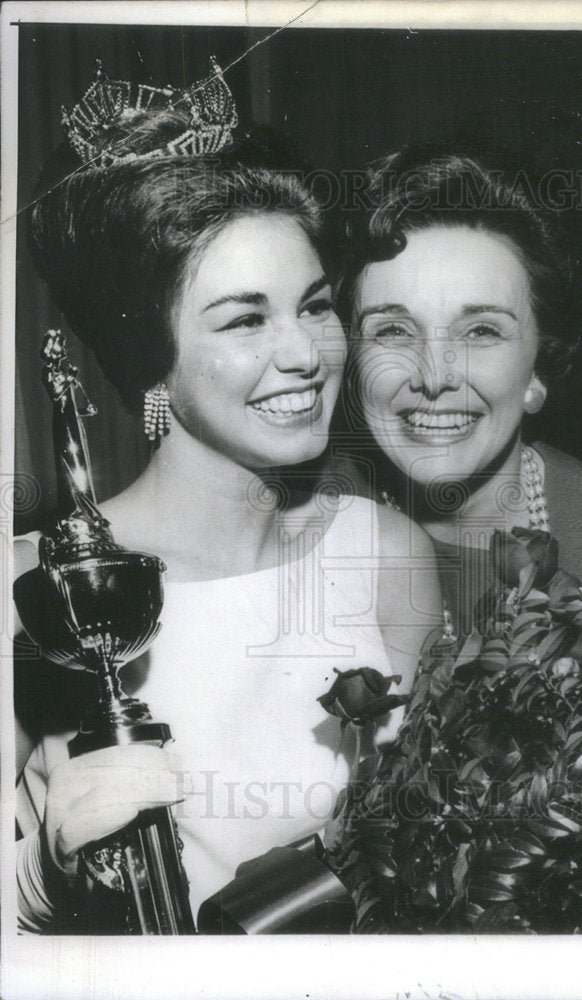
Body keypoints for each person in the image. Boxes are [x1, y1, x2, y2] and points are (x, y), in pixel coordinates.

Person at [14, 65, 441, 932]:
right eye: (245, 320)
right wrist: (47, 864)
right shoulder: (33, 592)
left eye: (314, 307)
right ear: (150, 356)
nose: (305, 355)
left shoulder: (386, 552)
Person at [340, 145, 580, 634]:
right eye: (393, 331)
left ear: (538, 367)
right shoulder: (298, 531)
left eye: (481, 332)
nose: (433, 377)